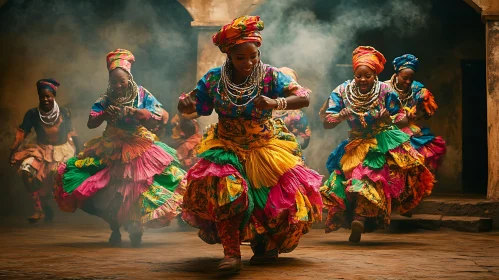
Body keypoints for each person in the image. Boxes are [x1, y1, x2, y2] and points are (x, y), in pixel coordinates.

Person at [177, 16, 323, 273]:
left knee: (270, 202)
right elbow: (197, 106)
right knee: (228, 194)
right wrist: (185, 106)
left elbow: (303, 97)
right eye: (240, 58)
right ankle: (231, 254)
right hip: (226, 147)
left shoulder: (269, 75)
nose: (249, 62)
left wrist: (274, 103)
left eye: (253, 56)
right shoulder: (214, 79)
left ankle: (264, 244)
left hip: (263, 147)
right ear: (228, 56)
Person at [54, 49, 185, 247]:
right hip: (111, 147)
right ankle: (115, 227)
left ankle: (135, 227)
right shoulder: (105, 98)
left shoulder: (142, 94)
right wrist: (104, 114)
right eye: (114, 82)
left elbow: (160, 115)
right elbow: (91, 122)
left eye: (121, 81)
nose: (118, 85)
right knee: (111, 191)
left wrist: (138, 112)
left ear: (129, 78)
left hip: (138, 146)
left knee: (136, 189)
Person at [320, 46, 434, 243]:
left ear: (375, 75)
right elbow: (326, 122)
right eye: (359, 75)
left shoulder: (385, 90)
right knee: (348, 182)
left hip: (381, 141)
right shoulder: (341, 91)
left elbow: (402, 119)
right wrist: (339, 116)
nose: (363, 80)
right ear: (353, 74)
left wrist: (389, 118)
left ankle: (361, 219)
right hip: (355, 143)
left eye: (368, 76)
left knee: (370, 177)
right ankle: (357, 219)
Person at [9, 79, 80, 223]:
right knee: (26, 171)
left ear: (54, 96)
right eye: (42, 96)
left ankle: (53, 205)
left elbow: (71, 133)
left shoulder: (64, 112)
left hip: (62, 150)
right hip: (41, 150)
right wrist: (13, 151)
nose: (46, 99)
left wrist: (80, 150)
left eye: (49, 96)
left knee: (57, 177)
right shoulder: (33, 114)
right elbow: (22, 134)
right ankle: (38, 209)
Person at [385, 54, 446, 173]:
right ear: (397, 74)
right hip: (388, 132)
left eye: (411, 79)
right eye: (404, 78)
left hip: (410, 133)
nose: (408, 82)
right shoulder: (384, 89)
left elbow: (428, 114)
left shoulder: (418, 89)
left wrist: (417, 115)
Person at [272, 67, 311, 150]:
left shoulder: (265, 107)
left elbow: (304, 141)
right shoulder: (265, 106)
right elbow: (304, 142)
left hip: (287, 155)